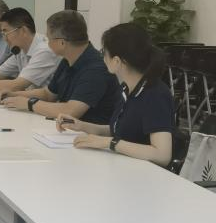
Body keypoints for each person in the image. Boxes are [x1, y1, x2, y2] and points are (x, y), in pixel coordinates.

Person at [57, 23, 175, 167]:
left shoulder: (155, 94)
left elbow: (162, 155)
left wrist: (110, 143)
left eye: (104, 53)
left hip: (145, 173)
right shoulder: (126, 88)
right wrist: (82, 125)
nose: (102, 58)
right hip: (123, 165)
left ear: (117, 61)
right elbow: (119, 131)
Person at [0, 11, 119, 124]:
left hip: (89, 134)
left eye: (49, 39)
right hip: (68, 129)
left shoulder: (95, 69)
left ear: (62, 43)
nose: (47, 43)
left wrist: (29, 104)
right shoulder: (67, 59)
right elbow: (48, 94)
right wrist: (16, 94)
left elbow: (71, 111)